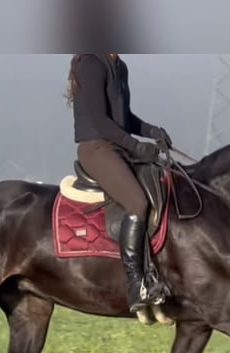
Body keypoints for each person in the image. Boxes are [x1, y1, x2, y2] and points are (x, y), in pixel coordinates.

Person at [65, 53, 173, 314]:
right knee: (137, 201)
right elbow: (100, 119)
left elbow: (123, 117)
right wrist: (136, 146)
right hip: (97, 148)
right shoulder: (91, 64)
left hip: (118, 146)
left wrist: (151, 131)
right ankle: (136, 284)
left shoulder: (119, 65)